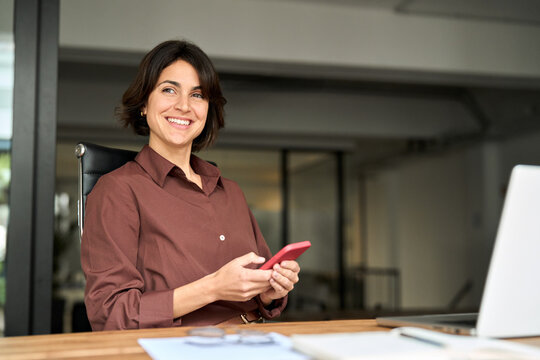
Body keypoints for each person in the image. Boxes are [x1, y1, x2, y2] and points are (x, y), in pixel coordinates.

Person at [81, 40, 300, 330]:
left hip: (254, 338)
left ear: (208, 109)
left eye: (197, 95)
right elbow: (110, 314)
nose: (184, 106)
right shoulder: (117, 190)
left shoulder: (230, 190)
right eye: (169, 90)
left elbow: (260, 292)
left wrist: (270, 291)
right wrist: (213, 288)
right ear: (144, 104)